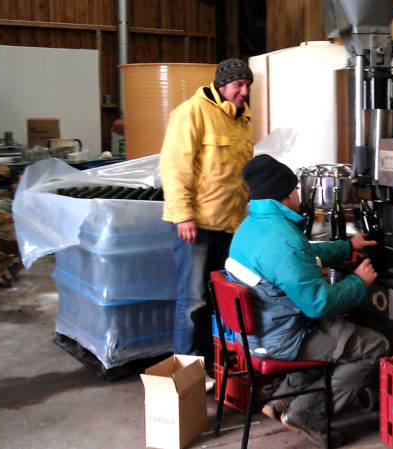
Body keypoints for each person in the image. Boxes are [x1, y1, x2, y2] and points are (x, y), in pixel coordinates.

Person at [225, 154, 390, 447]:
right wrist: (358, 282)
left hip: (258, 331)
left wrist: (346, 246)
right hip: (282, 337)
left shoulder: (251, 226)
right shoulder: (283, 240)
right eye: (297, 189)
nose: (300, 195)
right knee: (374, 346)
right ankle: (307, 415)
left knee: (334, 334)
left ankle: (281, 402)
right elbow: (318, 304)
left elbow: (303, 255)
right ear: (288, 194)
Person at [158, 58, 254, 388]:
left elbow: (238, 178)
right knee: (192, 300)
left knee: (218, 299)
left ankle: (212, 365)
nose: (245, 91)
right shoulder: (192, 112)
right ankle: (185, 374)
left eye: (247, 85)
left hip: (228, 226)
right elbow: (174, 168)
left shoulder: (242, 119)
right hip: (196, 225)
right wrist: (183, 214)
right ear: (222, 84)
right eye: (239, 85)